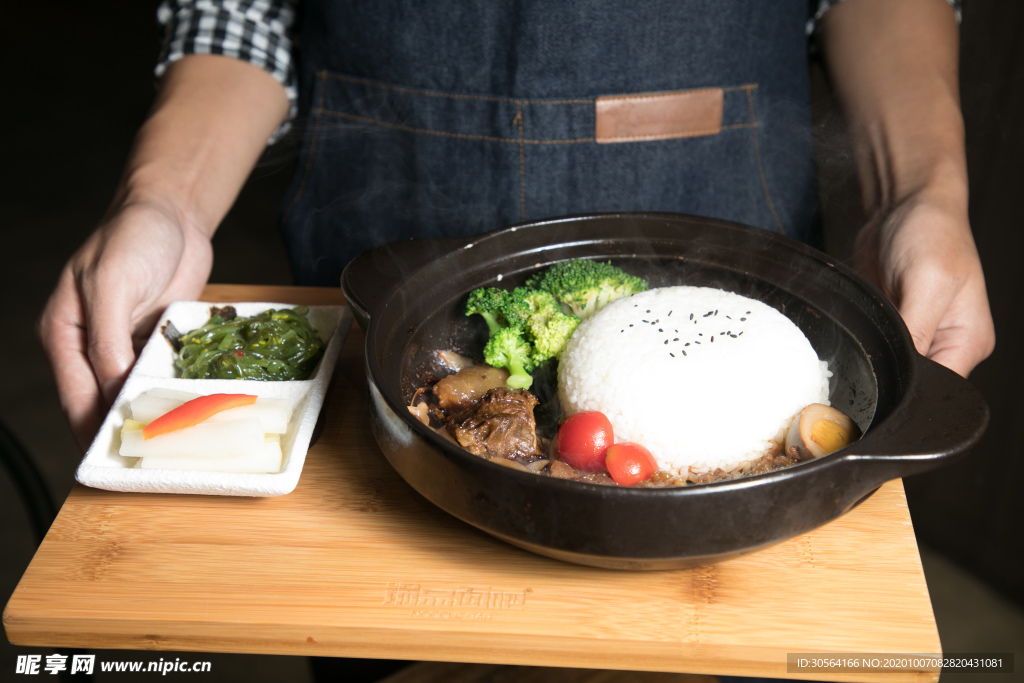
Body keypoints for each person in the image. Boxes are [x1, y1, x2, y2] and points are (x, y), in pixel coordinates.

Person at [40, 0, 994, 452]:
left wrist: (925, 192)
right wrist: (161, 200)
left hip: (721, 210)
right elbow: (236, 12)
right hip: (384, 232)